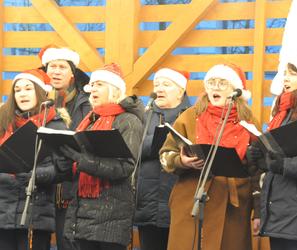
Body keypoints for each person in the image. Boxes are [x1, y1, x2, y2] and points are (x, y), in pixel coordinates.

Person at [159, 63, 260, 250]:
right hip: (192, 201)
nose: (215, 87)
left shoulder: (249, 123)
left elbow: (258, 170)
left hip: (233, 208)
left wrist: (259, 211)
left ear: (235, 89)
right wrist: (182, 161)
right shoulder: (190, 116)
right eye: (211, 82)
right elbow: (165, 154)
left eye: (222, 83)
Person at [58, 63, 144, 250]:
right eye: (92, 85)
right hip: (81, 214)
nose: (93, 89)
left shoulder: (128, 121)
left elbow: (125, 167)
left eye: (100, 85)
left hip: (111, 216)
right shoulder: (89, 120)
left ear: (114, 90)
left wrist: (83, 161)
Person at [0, 69, 70, 250]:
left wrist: (34, 175)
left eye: (28, 88)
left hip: (35, 212)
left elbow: (63, 168)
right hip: (2, 210)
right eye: (17, 90)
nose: (22, 94)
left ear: (40, 92)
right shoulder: (3, 123)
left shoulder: (55, 125)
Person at [39, 45, 91, 250]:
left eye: (62, 67)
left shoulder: (85, 104)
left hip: (70, 186)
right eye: (52, 66)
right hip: (41, 186)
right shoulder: (38, 102)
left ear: (72, 74)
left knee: (67, 242)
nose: (56, 71)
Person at [134, 68, 191, 250]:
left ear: (181, 91)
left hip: (179, 200)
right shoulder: (145, 114)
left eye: (166, 84)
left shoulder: (191, 116)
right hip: (147, 202)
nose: (160, 89)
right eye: (157, 84)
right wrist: (159, 143)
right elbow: (133, 148)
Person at [249, 59, 297, 250]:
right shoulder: (282, 112)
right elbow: (278, 155)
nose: (285, 78)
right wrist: (260, 157)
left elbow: (284, 161)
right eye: (284, 73)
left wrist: (283, 165)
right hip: (279, 211)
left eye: (293, 73)